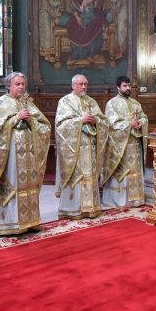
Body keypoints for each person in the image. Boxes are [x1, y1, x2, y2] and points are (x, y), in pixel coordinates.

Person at [0, 72, 51, 236]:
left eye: (23, 84)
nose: (21, 87)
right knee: (12, 184)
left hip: (29, 154)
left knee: (28, 185)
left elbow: (45, 126)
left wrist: (31, 121)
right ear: (9, 85)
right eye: (17, 84)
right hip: (9, 156)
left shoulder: (28, 103)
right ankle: (10, 223)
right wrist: (16, 118)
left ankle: (30, 221)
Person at [55, 74, 106, 218]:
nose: (84, 87)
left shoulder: (91, 101)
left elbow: (104, 121)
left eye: (85, 84)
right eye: (80, 84)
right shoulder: (65, 101)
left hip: (90, 147)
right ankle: (73, 209)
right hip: (74, 149)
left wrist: (96, 121)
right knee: (76, 177)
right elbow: (60, 125)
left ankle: (91, 208)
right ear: (73, 86)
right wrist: (80, 121)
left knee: (90, 176)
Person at [101, 75, 148, 209]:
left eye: (129, 86)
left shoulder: (135, 103)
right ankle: (120, 200)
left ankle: (136, 200)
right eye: (125, 86)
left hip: (135, 143)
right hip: (121, 146)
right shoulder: (112, 103)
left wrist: (141, 123)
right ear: (118, 87)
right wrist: (129, 124)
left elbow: (144, 117)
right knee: (122, 172)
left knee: (135, 171)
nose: (128, 88)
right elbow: (110, 124)